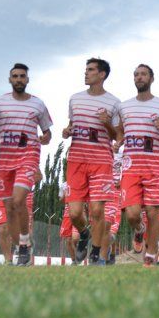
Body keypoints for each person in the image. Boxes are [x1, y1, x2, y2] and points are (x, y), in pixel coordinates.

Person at [0, 63, 52, 266]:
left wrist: (45, 138)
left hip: (28, 158)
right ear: (10, 79)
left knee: (19, 200)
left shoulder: (38, 104)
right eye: (15, 76)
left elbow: (47, 132)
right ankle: (21, 245)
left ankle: (23, 245)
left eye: (22, 76)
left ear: (27, 79)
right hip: (5, 162)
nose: (19, 79)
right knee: (9, 210)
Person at [117, 64, 159, 266]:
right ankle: (139, 230)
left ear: (151, 78)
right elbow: (119, 132)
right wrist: (117, 142)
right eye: (136, 74)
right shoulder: (124, 107)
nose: (139, 77)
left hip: (155, 166)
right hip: (131, 166)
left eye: (143, 74)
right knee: (132, 214)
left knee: (153, 213)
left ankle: (151, 256)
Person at [62, 58, 122, 265]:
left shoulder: (114, 103)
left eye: (90, 70)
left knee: (97, 211)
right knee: (75, 213)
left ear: (102, 74)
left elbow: (118, 136)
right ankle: (84, 233)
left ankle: (96, 253)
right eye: (85, 69)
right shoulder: (75, 99)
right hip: (76, 161)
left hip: (101, 162)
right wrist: (67, 131)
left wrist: (107, 124)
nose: (86, 73)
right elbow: (71, 126)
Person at [57, 181, 80, 264]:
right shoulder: (64, 185)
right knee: (68, 240)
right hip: (67, 215)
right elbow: (61, 200)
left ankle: (79, 253)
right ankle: (74, 261)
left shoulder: (81, 182)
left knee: (75, 238)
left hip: (78, 213)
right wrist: (65, 195)